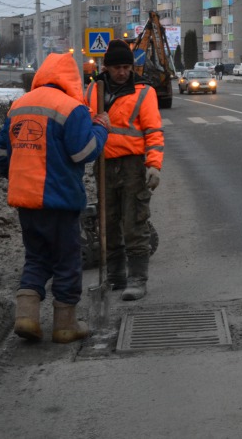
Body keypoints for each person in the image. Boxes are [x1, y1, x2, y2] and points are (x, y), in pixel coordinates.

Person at [0, 53, 109, 343]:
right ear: (71, 79)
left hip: (26, 201)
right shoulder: (72, 108)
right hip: (61, 200)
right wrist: (101, 128)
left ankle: (27, 317)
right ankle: (66, 324)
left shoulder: (19, 106)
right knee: (66, 260)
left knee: (36, 257)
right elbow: (84, 152)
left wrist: (22, 173)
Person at [85, 39, 164, 301]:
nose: (122, 72)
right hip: (104, 163)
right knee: (108, 221)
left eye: (126, 67)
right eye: (117, 67)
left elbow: (153, 131)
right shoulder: (92, 91)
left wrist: (153, 165)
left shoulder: (143, 92)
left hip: (132, 165)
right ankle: (115, 276)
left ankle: (137, 279)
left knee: (134, 221)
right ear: (106, 68)